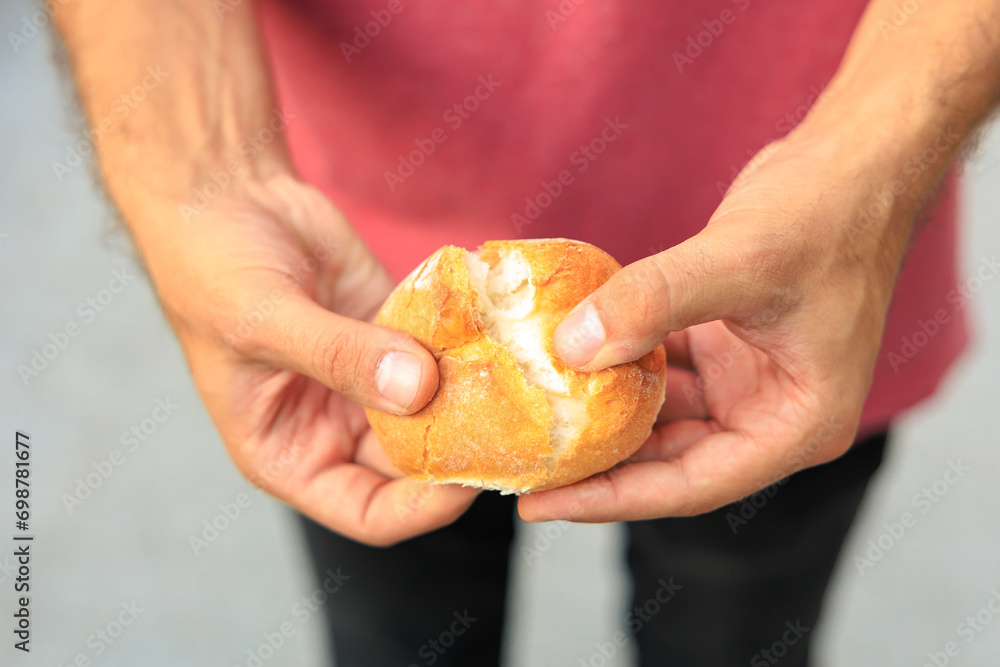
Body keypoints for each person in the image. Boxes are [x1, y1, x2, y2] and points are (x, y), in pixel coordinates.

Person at [54, 0, 1000, 664]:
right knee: (399, 634)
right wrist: (199, 168)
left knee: (737, 634)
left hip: (802, 288)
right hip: (346, 294)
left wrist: (878, 159)